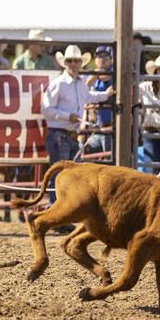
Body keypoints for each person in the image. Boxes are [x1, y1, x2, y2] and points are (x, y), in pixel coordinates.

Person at [42, 45, 114, 214]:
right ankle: (56, 213)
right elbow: (45, 110)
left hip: (71, 135)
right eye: (70, 61)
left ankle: (62, 213)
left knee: (70, 176)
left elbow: (89, 96)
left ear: (80, 63)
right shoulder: (58, 83)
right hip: (60, 134)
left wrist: (106, 94)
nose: (73, 64)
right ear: (64, 63)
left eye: (76, 61)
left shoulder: (80, 84)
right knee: (60, 176)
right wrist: (68, 117)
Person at [84, 46, 115, 158]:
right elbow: (82, 91)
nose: (102, 59)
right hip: (94, 128)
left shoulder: (115, 75)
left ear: (111, 59)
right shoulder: (90, 75)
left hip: (109, 127)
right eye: (99, 56)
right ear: (95, 59)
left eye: (105, 56)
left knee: (108, 160)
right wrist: (92, 78)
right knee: (86, 155)